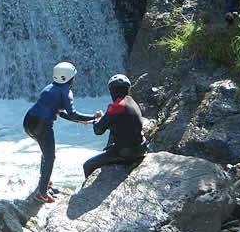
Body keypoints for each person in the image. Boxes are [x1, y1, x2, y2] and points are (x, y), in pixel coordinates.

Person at [23, 62, 102, 203]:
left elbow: (62, 113)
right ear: (69, 79)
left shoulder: (49, 88)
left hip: (29, 122)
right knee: (50, 157)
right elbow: (72, 114)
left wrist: (85, 121)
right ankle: (42, 193)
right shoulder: (66, 92)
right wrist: (93, 117)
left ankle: (44, 184)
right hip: (42, 126)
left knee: (46, 154)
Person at [83, 74, 147, 178]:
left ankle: (91, 193)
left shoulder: (116, 106)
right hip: (141, 148)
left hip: (126, 153)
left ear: (112, 91)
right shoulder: (131, 101)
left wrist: (97, 119)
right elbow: (121, 122)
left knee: (87, 166)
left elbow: (98, 130)